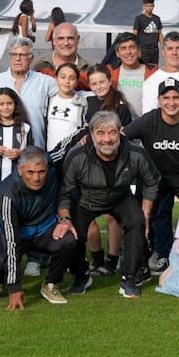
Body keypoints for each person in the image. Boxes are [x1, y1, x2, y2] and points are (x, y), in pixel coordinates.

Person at [60, 111, 160, 299]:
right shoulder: (76, 156)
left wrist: (145, 213)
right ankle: (81, 275)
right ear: (91, 134)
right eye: (100, 133)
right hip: (86, 199)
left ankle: (130, 277)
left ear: (120, 132)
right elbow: (64, 191)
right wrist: (65, 218)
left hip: (121, 197)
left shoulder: (135, 153)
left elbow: (152, 181)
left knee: (137, 222)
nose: (107, 139)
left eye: (112, 132)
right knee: (71, 235)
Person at [125, 77, 179, 273]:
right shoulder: (149, 120)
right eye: (166, 98)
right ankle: (154, 255)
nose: (171, 102)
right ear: (158, 100)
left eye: (176, 97)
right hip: (154, 176)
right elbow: (122, 136)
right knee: (148, 215)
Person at [0, 147, 81, 307]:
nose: (37, 178)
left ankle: (50, 284)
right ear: (20, 170)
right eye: (30, 172)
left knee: (68, 241)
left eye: (41, 172)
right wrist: (15, 288)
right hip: (11, 231)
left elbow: (70, 142)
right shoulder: (7, 192)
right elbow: (11, 241)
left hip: (43, 226)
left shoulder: (53, 170)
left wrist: (64, 219)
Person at [0, 37, 57, 147]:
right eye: (14, 54)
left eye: (22, 55)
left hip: (35, 149)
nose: (17, 59)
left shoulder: (46, 82)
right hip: (3, 150)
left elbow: (67, 95)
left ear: (31, 58)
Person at [0, 88, 33, 207]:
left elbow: (32, 155)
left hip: (18, 183)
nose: (6, 107)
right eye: (1, 104)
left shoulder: (25, 128)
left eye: (9, 103)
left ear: (15, 105)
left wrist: (20, 154)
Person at [107, 33, 157, 116]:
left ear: (139, 50)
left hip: (146, 125)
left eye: (132, 47)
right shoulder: (109, 72)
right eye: (123, 48)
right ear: (117, 53)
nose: (128, 52)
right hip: (120, 125)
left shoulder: (153, 72)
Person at [132, 0, 164, 65]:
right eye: (147, 6)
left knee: (154, 70)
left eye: (151, 6)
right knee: (143, 70)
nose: (149, 8)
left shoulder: (157, 18)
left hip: (155, 50)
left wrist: (163, 48)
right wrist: (136, 50)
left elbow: (160, 34)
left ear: (153, 6)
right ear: (143, 6)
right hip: (143, 50)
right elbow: (134, 35)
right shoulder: (139, 18)